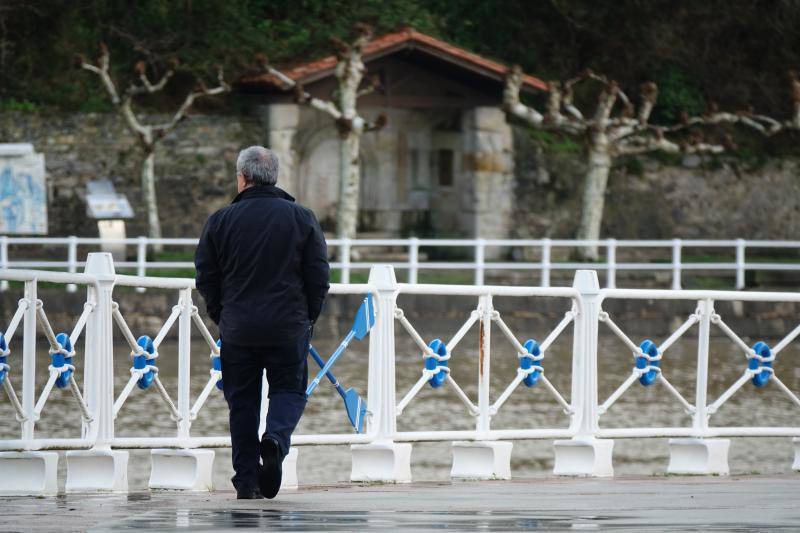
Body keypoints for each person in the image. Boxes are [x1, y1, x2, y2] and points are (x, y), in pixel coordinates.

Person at [195, 146, 330, 499]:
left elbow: (206, 275)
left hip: (238, 327)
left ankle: (246, 481)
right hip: (288, 326)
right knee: (289, 390)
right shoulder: (302, 218)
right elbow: (318, 276)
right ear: (275, 177)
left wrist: (222, 315)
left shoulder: (221, 221)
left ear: (242, 178)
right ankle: (275, 440)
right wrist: (307, 318)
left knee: (242, 403)